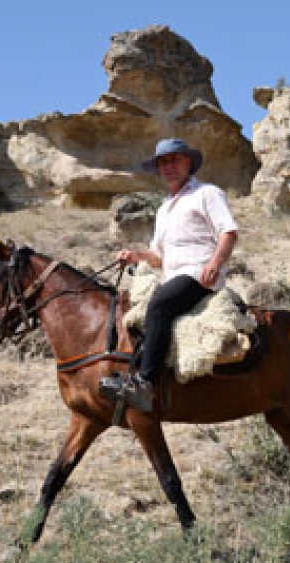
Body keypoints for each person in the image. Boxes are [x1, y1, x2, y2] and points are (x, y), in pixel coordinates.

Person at [107, 138, 239, 413]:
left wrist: (215, 262)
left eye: (174, 160)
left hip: (199, 274)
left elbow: (228, 232)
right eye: (163, 162)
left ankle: (144, 383)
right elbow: (159, 258)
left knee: (159, 304)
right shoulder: (165, 208)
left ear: (188, 163)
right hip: (173, 275)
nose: (168, 167)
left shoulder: (207, 193)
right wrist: (136, 255)